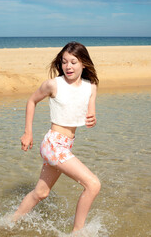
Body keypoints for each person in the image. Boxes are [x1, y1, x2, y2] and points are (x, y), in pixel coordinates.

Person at [13, 42, 101, 232]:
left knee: (41, 193)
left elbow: (90, 110)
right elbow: (31, 101)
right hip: (53, 144)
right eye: (64, 62)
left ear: (84, 63)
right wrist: (28, 132)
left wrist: (92, 117)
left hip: (65, 146)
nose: (68, 66)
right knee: (93, 184)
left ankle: (7, 222)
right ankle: (78, 233)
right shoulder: (53, 84)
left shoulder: (91, 87)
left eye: (73, 62)